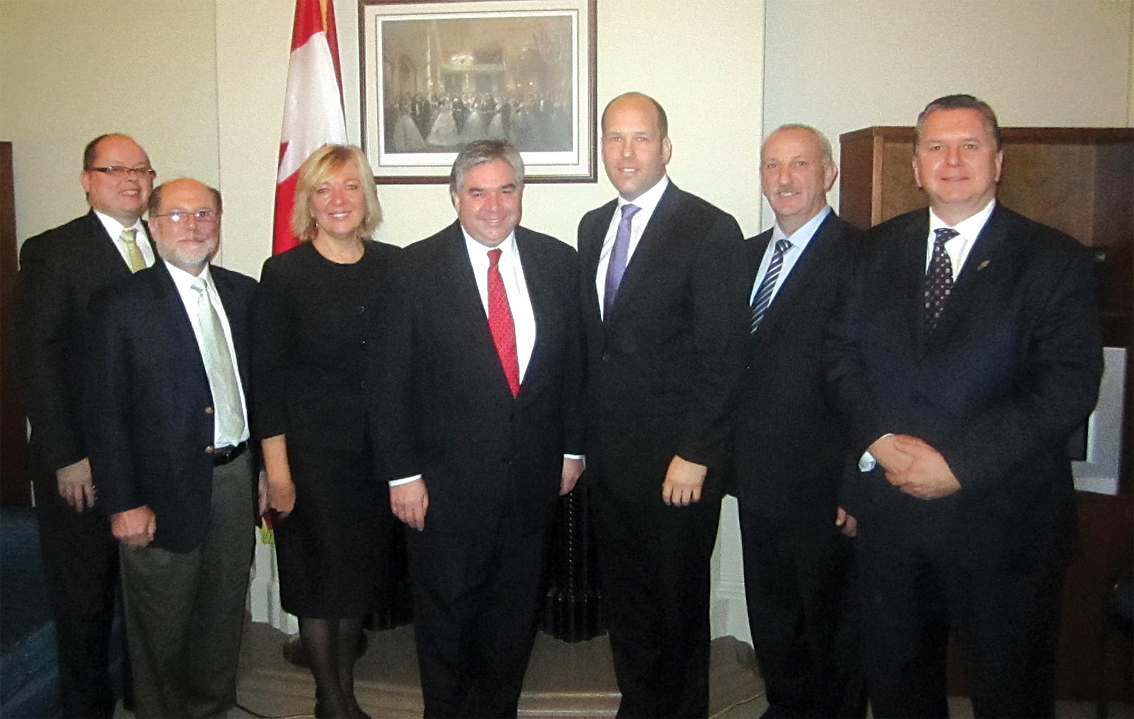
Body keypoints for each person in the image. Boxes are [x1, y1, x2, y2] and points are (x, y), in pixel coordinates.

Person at [825, 94, 1103, 718]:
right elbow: (838, 359)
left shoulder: (1055, 260)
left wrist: (960, 464)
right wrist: (874, 442)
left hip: (1004, 524)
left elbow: (1066, 385)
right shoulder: (870, 253)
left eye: (970, 145)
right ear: (917, 167)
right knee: (898, 687)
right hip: (891, 521)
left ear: (998, 161)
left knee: (1011, 693)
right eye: (936, 147)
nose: (953, 160)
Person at [376, 139, 583, 717]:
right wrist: (402, 474)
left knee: (512, 624)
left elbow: (573, 369)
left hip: (530, 486)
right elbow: (388, 383)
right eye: (477, 192)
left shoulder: (559, 263)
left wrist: (572, 450)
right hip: (441, 490)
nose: (493, 205)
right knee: (445, 627)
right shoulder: (411, 270)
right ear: (454, 197)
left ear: (521, 193)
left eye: (506, 189)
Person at [577, 92, 748, 718]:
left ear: (665, 147)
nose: (626, 152)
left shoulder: (709, 227)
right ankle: (641, 703)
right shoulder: (593, 225)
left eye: (640, 138)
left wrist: (695, 453)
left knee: (675, 602)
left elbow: (723, 357)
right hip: (611, 461)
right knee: (627, 600)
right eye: (614, 138)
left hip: (678, 464)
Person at [84, 178, 263, 718]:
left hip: (234, 478)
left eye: (205, 214)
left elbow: (257, 389)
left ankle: (211, 709)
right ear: (154, 225)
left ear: (219, 223)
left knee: (222, 613)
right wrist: (122, 502)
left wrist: (261, 473)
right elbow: (103, 412)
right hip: (155, 494)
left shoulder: (243, 293)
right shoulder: (118, 304)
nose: (193, 226)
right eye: (179, 215)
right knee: (159, 629)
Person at [254, 144, 399, 719]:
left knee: (353, 579)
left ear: (366, 196)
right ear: (308, 202)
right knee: (317, 580)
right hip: (309, 459)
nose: (338, 200)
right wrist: (278, 472)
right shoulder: (285, 274)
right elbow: (267, 382)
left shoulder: (394, 267)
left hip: (374, 458)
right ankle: (333, 699)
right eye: (324, 189)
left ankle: (337, 691)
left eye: (350, 186)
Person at [14, 133, 156, 718]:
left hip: (151, 457)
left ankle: (143, 698)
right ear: (86, 179)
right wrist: (67, 454)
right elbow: (37, 356)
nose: (131, 179)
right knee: (85, 601)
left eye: (141, 170)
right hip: (85, 462)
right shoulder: (54, 250)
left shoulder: (165, 241)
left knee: (145, 596)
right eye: (114, 169)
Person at [734, 124, 866, 719]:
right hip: (756, 477)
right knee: (774, 613)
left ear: (828, 173)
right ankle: (786, 706)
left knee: (832, 623)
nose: (784, 179)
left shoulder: (862, 257)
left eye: (800, 165)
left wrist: (857, 478)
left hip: (825, 483)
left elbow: (875, 377)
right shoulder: (743, 256)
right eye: (772, 166)